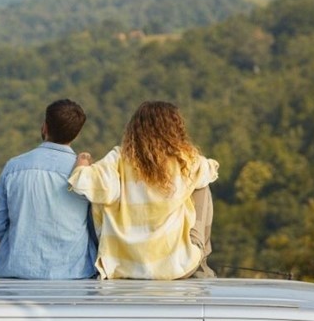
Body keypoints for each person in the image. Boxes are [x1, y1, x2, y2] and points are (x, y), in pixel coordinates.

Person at [68, 101, 218, 280]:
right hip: (175, 264)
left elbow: (85, 182)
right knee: (202, 185)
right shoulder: (185, 161)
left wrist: (82, 164)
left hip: (124, 264)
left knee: (101, 195)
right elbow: (211, 169)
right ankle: (199, 257)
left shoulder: (118, 159)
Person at [0, 99, 97, 279]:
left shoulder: (14, 167)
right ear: (76, 134)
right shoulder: (86, 175)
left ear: (45, 127)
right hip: (74, 278)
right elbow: (96, 229)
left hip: (15, 277)